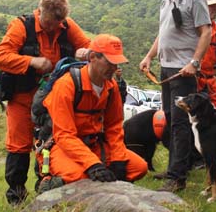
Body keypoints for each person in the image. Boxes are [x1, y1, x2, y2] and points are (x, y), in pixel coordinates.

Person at [0, 0, 91, 205]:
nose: (53, 28)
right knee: (18, 146)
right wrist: (31, 62)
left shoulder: (67, 25)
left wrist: (84, 52)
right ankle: (16, 198)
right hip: (22, 98)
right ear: (40, 12)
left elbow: (87, 45)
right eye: (48, 24)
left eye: (57, 23)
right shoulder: (21, 26)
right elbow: (0, 57)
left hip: (53, 100)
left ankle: (46, 189)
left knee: (50, 144)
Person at [139, 0, 211, 192]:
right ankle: (184, 163)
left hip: (184, 71)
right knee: (170, 120)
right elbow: (164, 32)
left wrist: (195, 62)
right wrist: (149, 56)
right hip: (166, 68)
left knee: (180, 123)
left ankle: (177, 177)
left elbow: (206, 32)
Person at [41, 34, 148, 189]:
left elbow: (114, 127)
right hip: (63, 147)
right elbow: (64, 135)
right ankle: (49, 182)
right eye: (110, 62)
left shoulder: (111, 88)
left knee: (138, 168)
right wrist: (92, 165)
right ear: (92, 57)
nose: (114, 68)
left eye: (117, 63)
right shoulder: (66, 86)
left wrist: (118, 158)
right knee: (81, 176)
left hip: (95, 145)